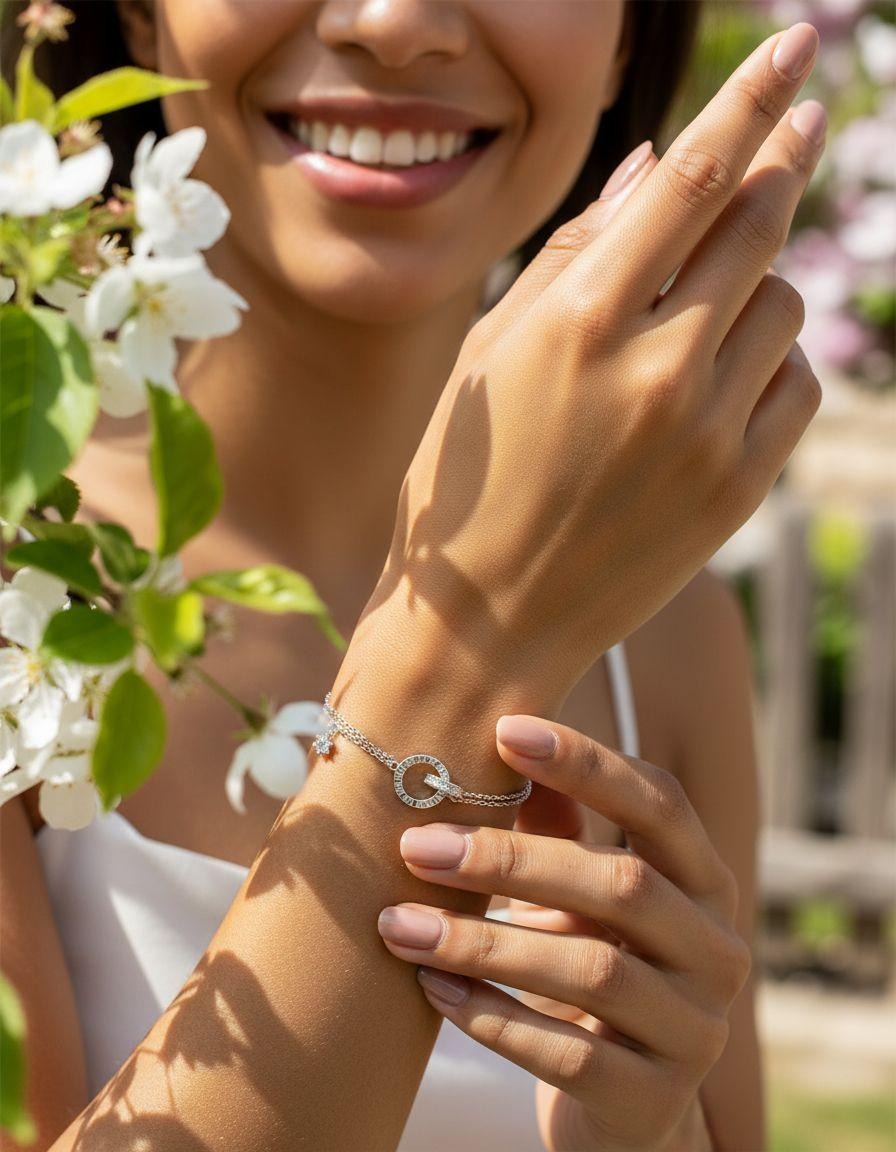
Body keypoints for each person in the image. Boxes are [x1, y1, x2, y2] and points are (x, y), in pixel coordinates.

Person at [0, 2, 826, 1149]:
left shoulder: (674, 641)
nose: (395, 24)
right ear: (136, 13)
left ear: (628, 38)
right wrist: (468, 661)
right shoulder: (24, 578)